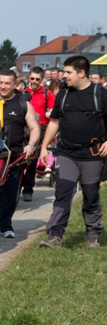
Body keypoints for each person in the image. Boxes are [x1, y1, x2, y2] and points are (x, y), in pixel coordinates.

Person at [39, 56, 107, 249]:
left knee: (91, 193)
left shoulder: (100, 94)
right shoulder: (64, 94)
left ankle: (93, 235)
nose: (64, 76)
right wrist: (44, 146)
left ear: (81, 73)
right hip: (66, 153)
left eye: (68, 72)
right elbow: (54, 122)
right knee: (63, 193)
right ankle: (55, 236)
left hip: (92, 155)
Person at [0, 70, 40, 238]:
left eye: (7, 83)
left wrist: (31, 144)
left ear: (15, 84)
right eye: (0, 82)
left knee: (9, 193)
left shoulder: (23, 104)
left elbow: (35, 128)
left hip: (13, 156)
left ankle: (5, 226)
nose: (2, 86)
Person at [21, 67, 55, 201]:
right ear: (29, 77)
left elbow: (53, 112)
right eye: (32, 78)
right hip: (22, 129)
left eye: (37, 79)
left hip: (40, 130)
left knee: (32, 161)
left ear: (42, 80)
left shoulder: (47, 93)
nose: (34, 81)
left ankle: (28, 189)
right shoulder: (21, 92)